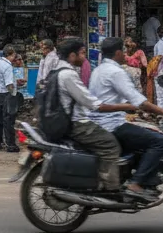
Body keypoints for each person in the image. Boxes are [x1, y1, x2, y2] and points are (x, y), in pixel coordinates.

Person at [89, 36, 163, 197]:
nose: (125, 54)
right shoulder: (117, 72)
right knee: (158, 141)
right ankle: (136, 183)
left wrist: (132, 108)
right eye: (123, 51)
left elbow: (118, 98)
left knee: (143, 136)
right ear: (118, 52)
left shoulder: (98, 70)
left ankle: (141, 177)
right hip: (112, 125)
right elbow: (139, 101)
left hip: (100, 124)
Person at [44, 37, 136, 193]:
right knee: (111, 145)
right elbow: (94, 104)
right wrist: (127, 106)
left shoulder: (57, 70)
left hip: (66, 121)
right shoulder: (68, 75)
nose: (84, 57)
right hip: (77, 124)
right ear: (72, 55)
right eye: (82, 53)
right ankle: (110, 187)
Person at [0, 48, 19, 152]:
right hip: (5, 94)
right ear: (11, 54)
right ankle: (10, 144)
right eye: (14, 55)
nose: (15, 57)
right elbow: (9, 85)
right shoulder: (7, 66)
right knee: (8, 120)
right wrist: (13, 95)